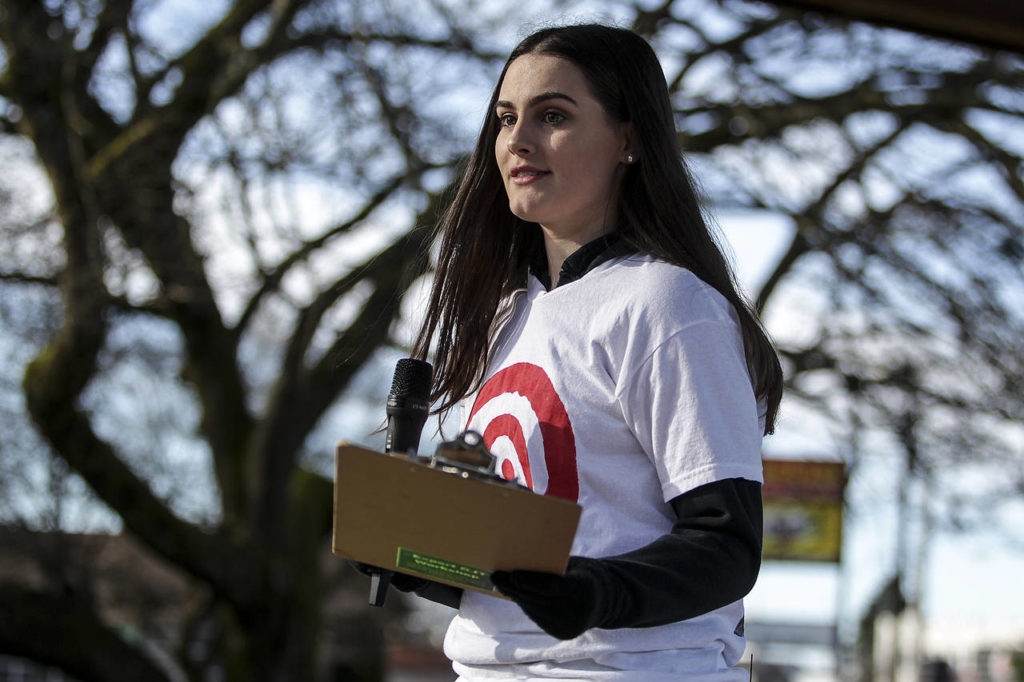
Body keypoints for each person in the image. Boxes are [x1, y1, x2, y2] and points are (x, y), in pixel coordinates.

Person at [405, 23, 784, 681]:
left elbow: (726, 546)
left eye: (553, 116)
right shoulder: (499, 314)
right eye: (504, 118)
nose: (517, 141)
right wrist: (412, 556)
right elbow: (512, 567)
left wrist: (596, 593)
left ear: (629, 139)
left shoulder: (669, 304)